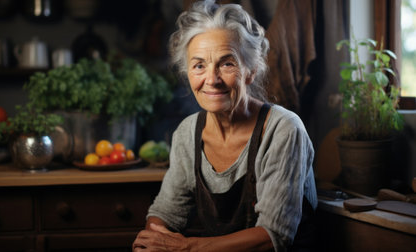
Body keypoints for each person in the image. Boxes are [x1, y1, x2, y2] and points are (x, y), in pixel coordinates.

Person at [133, 0, 317, 251]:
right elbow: (165, 213)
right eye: (199, 66)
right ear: (188, 73)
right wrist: (152, 242)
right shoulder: (187, 133)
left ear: (251, 70)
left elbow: (273, 236)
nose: (212, 79)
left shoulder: (283, 129)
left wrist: (185, 248)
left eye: (226, 63)